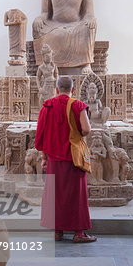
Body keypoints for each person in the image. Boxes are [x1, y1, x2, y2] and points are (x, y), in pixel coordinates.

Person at [35, 75, 97, 243]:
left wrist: (44, 157)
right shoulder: (78, 105)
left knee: (55, 195)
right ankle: (79, 233)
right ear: (73, 90)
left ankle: (57, 231)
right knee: (76, 195)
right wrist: (77, 134)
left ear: (56, 89)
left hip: (54, 159)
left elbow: (39, 136)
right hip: (74, 158)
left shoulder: (47, 106)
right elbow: (86, 129)